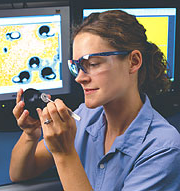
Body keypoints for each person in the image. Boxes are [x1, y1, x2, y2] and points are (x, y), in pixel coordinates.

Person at [9, 10, 180, 191]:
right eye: (77, 67)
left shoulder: (163, 150)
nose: (79, 78)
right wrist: (31, 134)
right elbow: (20, 173)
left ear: (133, 61)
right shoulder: (84, 116)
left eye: (92, 64)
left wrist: (64, 153)